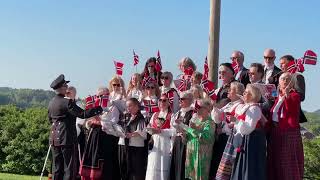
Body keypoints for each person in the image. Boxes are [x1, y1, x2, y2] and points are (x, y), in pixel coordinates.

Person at [48, 74, 103, 180]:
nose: (67, 88)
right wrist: (98, 108)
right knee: (69, 168)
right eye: (66, 86)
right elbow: (82, 114)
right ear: (62, 87)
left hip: (54, 137)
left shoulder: (51, 102)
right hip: (67, 137)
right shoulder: (66, 102)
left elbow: (50, 119)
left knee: (57, 167)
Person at [267, 72, 304, 180]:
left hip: (288, 132)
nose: (285, 81)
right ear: (279, 81)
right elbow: (272, 110)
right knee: (275, 160)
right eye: (283, 78)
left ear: (292, 83)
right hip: (275, 131)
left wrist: (287, 96)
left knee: (287, 163)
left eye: (288, 79)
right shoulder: (276, 95)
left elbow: (291, 110)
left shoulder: (294, 95)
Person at [229, 84, 267, 180]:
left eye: (246, 92)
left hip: (252, 140)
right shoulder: (246, 107)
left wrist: (236, 121)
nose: (243, 94)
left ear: (252, 95)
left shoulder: (254, 108)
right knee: (242, 165)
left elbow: (249, 128)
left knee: (250, 167)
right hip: (245, 139)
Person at [212, 82, 244, 180]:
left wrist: (224, 128)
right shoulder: (229, 104)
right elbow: (217, 119)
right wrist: (214, 106)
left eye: (231, 89)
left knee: (229, 167)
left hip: (231, 138)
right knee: (221, 165)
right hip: (223, 137)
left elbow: (237, 123)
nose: (228, 91)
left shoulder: (240, 105)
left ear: (237, 92)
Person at [209, 63, 235, 179]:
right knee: (215, 161)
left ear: (232, 74)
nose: (221, 74)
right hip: (216, 127)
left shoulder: (233, 88)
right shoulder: (218, 89)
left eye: (224, 72)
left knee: (223, 162)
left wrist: (213, 105)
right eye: (219, 72)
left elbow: (223, 104)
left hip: (226, 129)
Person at [145, 94, 175, 180]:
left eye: (164, 100)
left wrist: (161, 131)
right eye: (160, 100)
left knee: (162, 166)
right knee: (152, 165)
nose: (162, 102)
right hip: (154, 143)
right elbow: (149, 128)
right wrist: (149, 129)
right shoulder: (155, 114)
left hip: (164, 144)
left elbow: (174, 131)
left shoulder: (171, 115)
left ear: (169, 103)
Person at [184, 99, 215, 180]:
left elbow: (206, 138)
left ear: (207, 109)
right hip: (191, 154)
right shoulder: (195, 120)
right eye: (196, 107)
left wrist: (192, 129)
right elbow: (188, 138)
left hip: (201, 156)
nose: (196, 109)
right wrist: (184, 134)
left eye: (199, 107)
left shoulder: (209, 122)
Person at [118, 98, 148, 180]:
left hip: (135, 147)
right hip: (123, 145)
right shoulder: (124, 117)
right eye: (127, 106)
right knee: (123, 167)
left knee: (135, 171)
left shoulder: (141, 118)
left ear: (137, 106)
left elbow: (142, 132)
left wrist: (131, 135)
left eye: (130, 106)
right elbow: (118, 127)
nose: (128, 108)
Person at [170, 92, 194, 180]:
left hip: (186, 141)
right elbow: (172, 126)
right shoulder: (178, 112)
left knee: (183, 164)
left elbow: (193, 129)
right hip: (177, 140)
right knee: (176, 163)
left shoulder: (192, 113)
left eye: (183, 99)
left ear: (190, 100)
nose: (180, 100)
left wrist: (182, 128)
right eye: (180, 99)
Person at [279, 55, 307, 123]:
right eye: (280, 64)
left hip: (291, 113)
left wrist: (289, 93)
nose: (280, 66)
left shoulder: (297, 76)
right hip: (279, 111)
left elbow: (301, 96)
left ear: (290, 63)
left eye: (283, 63)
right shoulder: (280, 76)